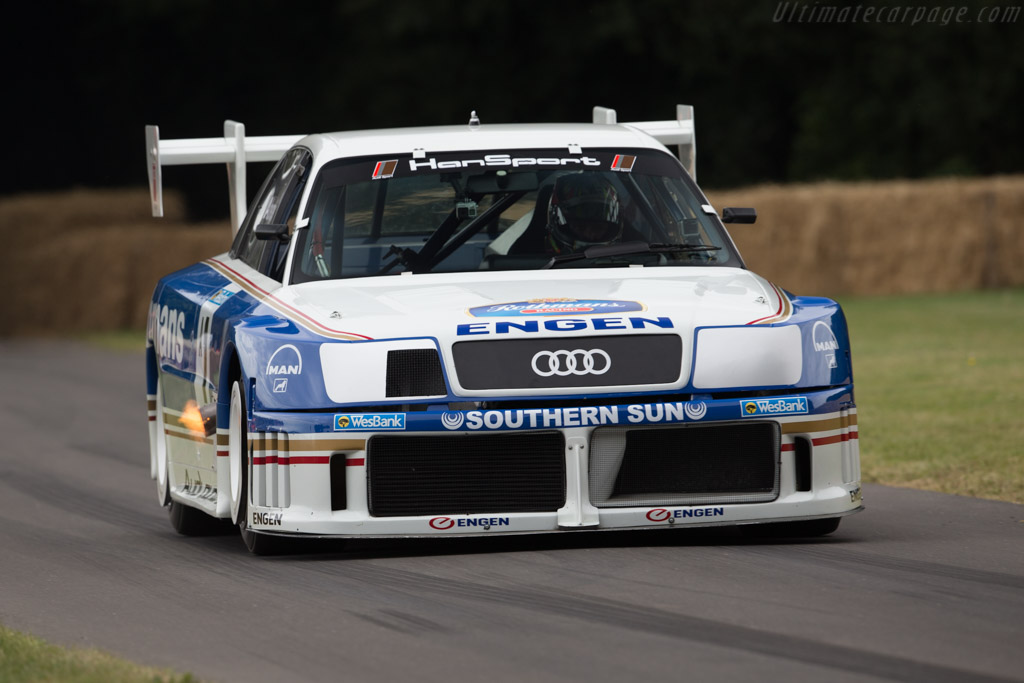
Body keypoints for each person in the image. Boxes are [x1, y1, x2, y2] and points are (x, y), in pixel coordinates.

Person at [544, 173, 624, 254]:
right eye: (580, 227)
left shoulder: (633, 252)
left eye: (598, 228)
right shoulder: (535, 264)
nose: (590, 235)